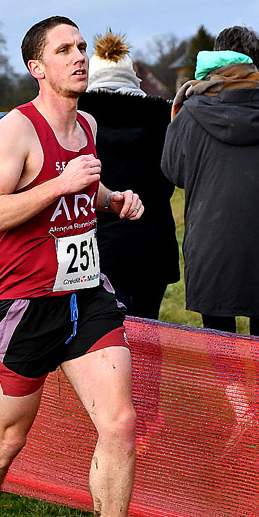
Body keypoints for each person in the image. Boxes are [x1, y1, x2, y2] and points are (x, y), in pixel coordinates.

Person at [0, 15, 166, 517]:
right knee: (6, 438)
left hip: (86, 297)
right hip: (23, 306)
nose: (79, 57)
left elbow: (85, 187)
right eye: (64, 50)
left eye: (81, 47)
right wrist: (59, 183)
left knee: (119, 422)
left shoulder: (89, 124)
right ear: (37, 67)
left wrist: (112, 200)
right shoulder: (15, 131)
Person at [161, 25, 259, 473]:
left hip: (213, 244)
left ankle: (242, 411)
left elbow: (172, 171)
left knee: (218, 335)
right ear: (255, 64)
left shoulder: (189, 112)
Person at [78, 30, 180, 319]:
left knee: (110, 329)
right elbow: (171, 177)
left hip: (102, 242)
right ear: (132, 78)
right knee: (149, 325)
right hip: (154, 238)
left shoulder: (79, 119)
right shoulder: (162, 118)